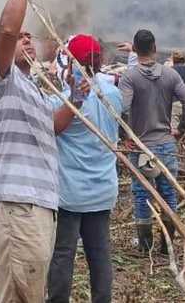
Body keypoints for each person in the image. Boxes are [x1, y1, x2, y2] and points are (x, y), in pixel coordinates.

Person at [0, 0, 58, 303]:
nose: (26, 38)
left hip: (38, 203)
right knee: (17, 295)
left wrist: (82, 100)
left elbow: (52, 127)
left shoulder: (34, 88)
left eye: (31, 37)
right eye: (20, 38)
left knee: (27, 293)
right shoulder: (0, 77)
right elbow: (7, 29)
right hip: (16, 202)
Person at [48, 34, 121, 303]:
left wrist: (67, 90)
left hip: (70, 194)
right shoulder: (113, 94)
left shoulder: (64, 101)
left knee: (62, 255)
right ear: (99, 60)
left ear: (70, 62)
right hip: (103, 189)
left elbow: (52, 129)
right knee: (100, 253)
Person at [117, 28, 185, 254]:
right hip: (166, 144)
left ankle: (145, 246)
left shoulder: (129, 77)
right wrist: (180, 130)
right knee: (168, 193)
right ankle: (167, 246)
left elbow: (121, 107)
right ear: (155, 47)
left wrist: (125, 135)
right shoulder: (170, 75)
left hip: (142, 147)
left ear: (134, 47)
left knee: (142, 194)